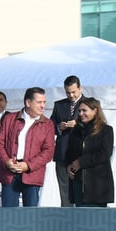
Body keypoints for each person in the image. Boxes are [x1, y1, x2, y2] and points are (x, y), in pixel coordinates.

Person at [0, 87, 55, 207]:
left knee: (30, 215)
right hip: (9, 173)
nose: (42, 106)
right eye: (39, 102)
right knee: (9, 215)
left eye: (44, 102)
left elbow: (48, 152)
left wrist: (28, 166)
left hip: (32, 174)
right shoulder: (10, 119)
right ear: (28, 102)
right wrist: (7, 162)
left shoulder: (47, 124)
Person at [65, 97, 114, 207]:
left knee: (96, 221)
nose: (81, 113)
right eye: (79, 111)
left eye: (84, 110)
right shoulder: (76, 131)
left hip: (97, 185)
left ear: (95, 111)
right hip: (78, 183)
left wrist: (81, 162)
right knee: (80, 219)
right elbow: (69, 152)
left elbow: (104, 154)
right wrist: (68, 166)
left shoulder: (106, 130)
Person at [50, 75, 84, 207]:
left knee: (83, 190)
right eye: (68, 92)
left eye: (74, 92)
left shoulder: (91, 103)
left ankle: (83, 220)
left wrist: (78, 123)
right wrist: (59, 127)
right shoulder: (59, 105)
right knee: (65, 193)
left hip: (81, 154)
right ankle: (67, 220)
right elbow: (50, 125)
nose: (71, 95)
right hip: (63, 154)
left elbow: (97, 125)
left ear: (80, 88)